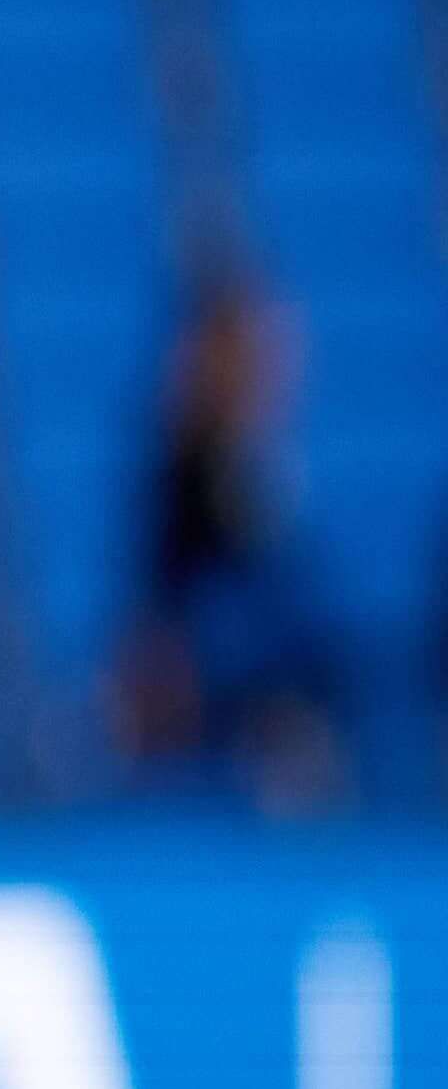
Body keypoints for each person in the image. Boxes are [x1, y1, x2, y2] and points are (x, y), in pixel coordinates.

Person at [122, 269, 349, 810]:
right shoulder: (184, 465)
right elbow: (170, 588)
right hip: (214, 662)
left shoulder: (268, 454)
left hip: (273, 656)